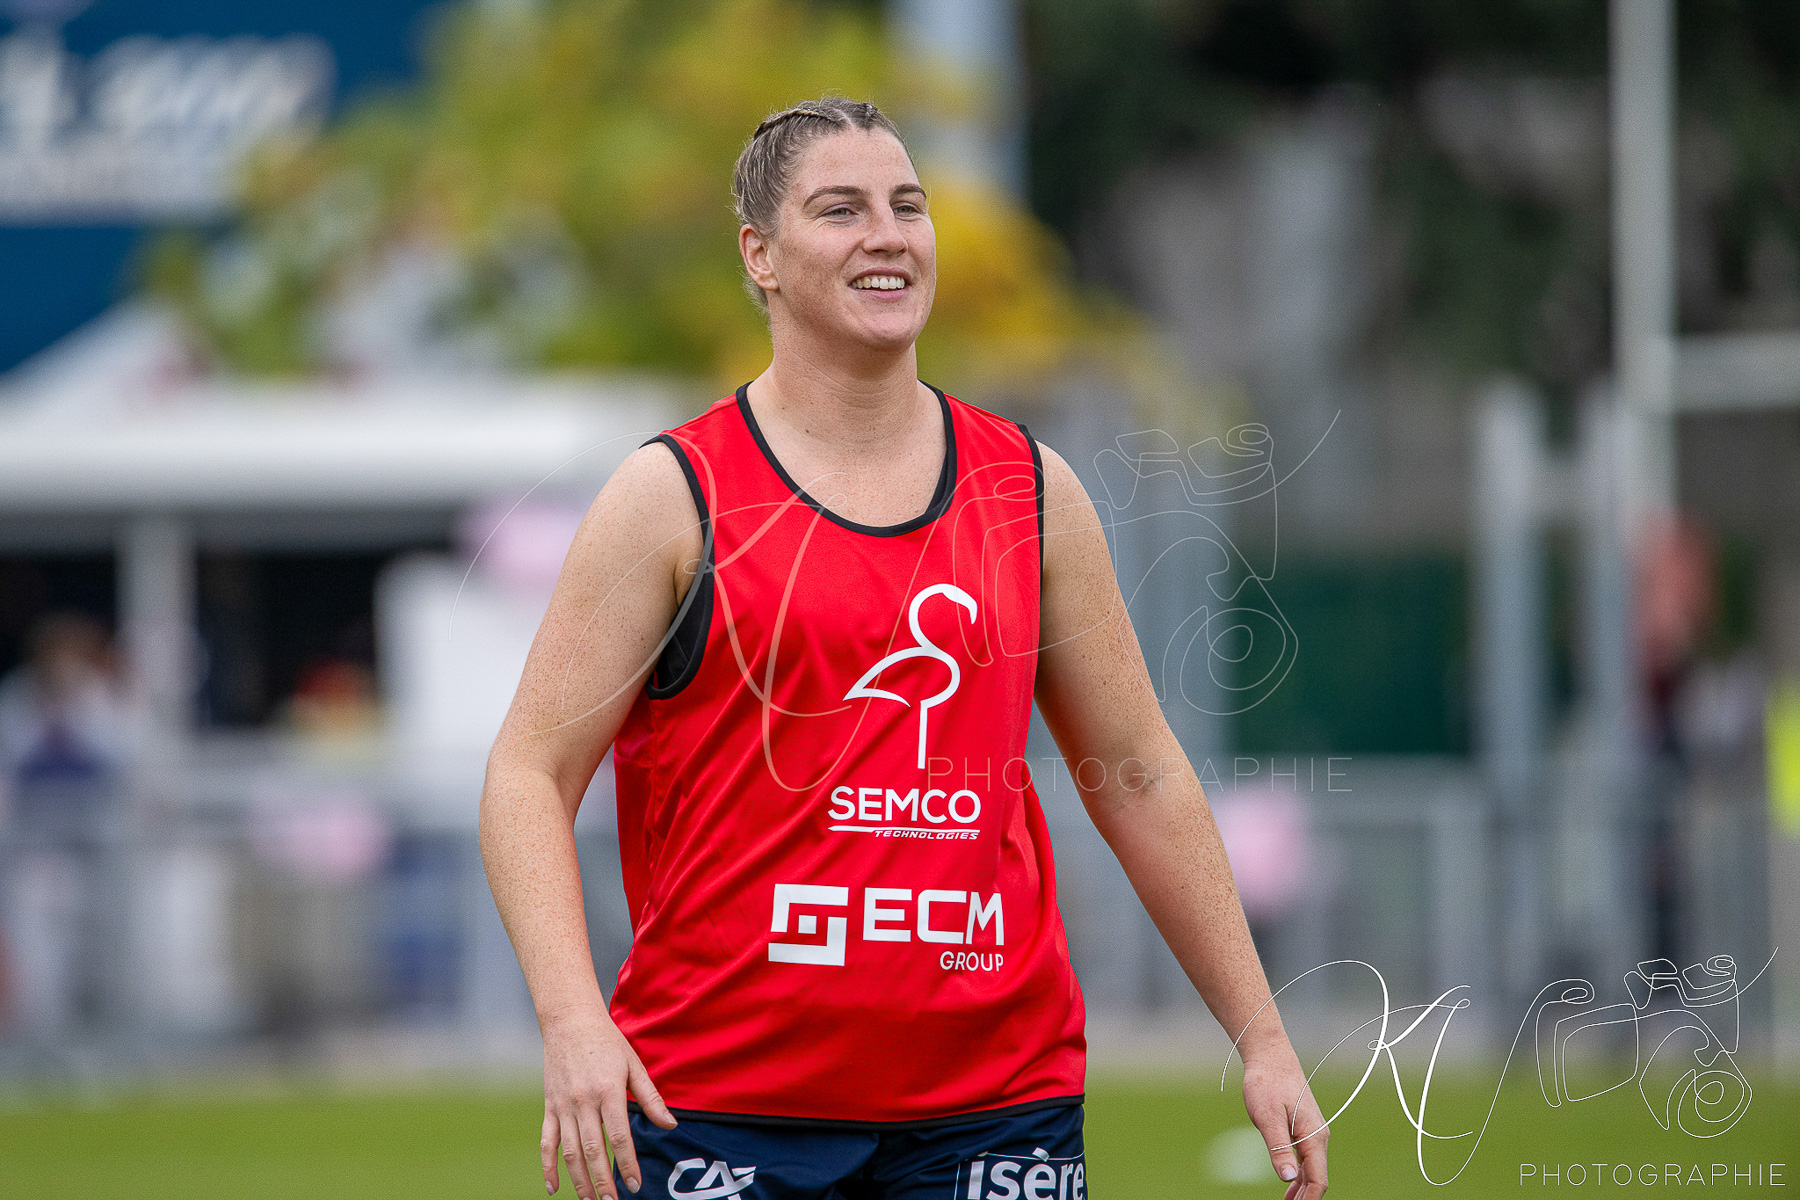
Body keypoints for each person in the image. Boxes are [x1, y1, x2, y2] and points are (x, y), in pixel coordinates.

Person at [480, 96, 1328, 1200]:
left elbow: (1141, 775)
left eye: (907, 206)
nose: (887, 235)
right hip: (716, 1106)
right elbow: (526, 774)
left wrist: (1261, 1036)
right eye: (840, 210)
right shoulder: (672, 496)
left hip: (994, 1107)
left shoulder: (1029, 489)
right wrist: (571, 1019)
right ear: (762, 257)